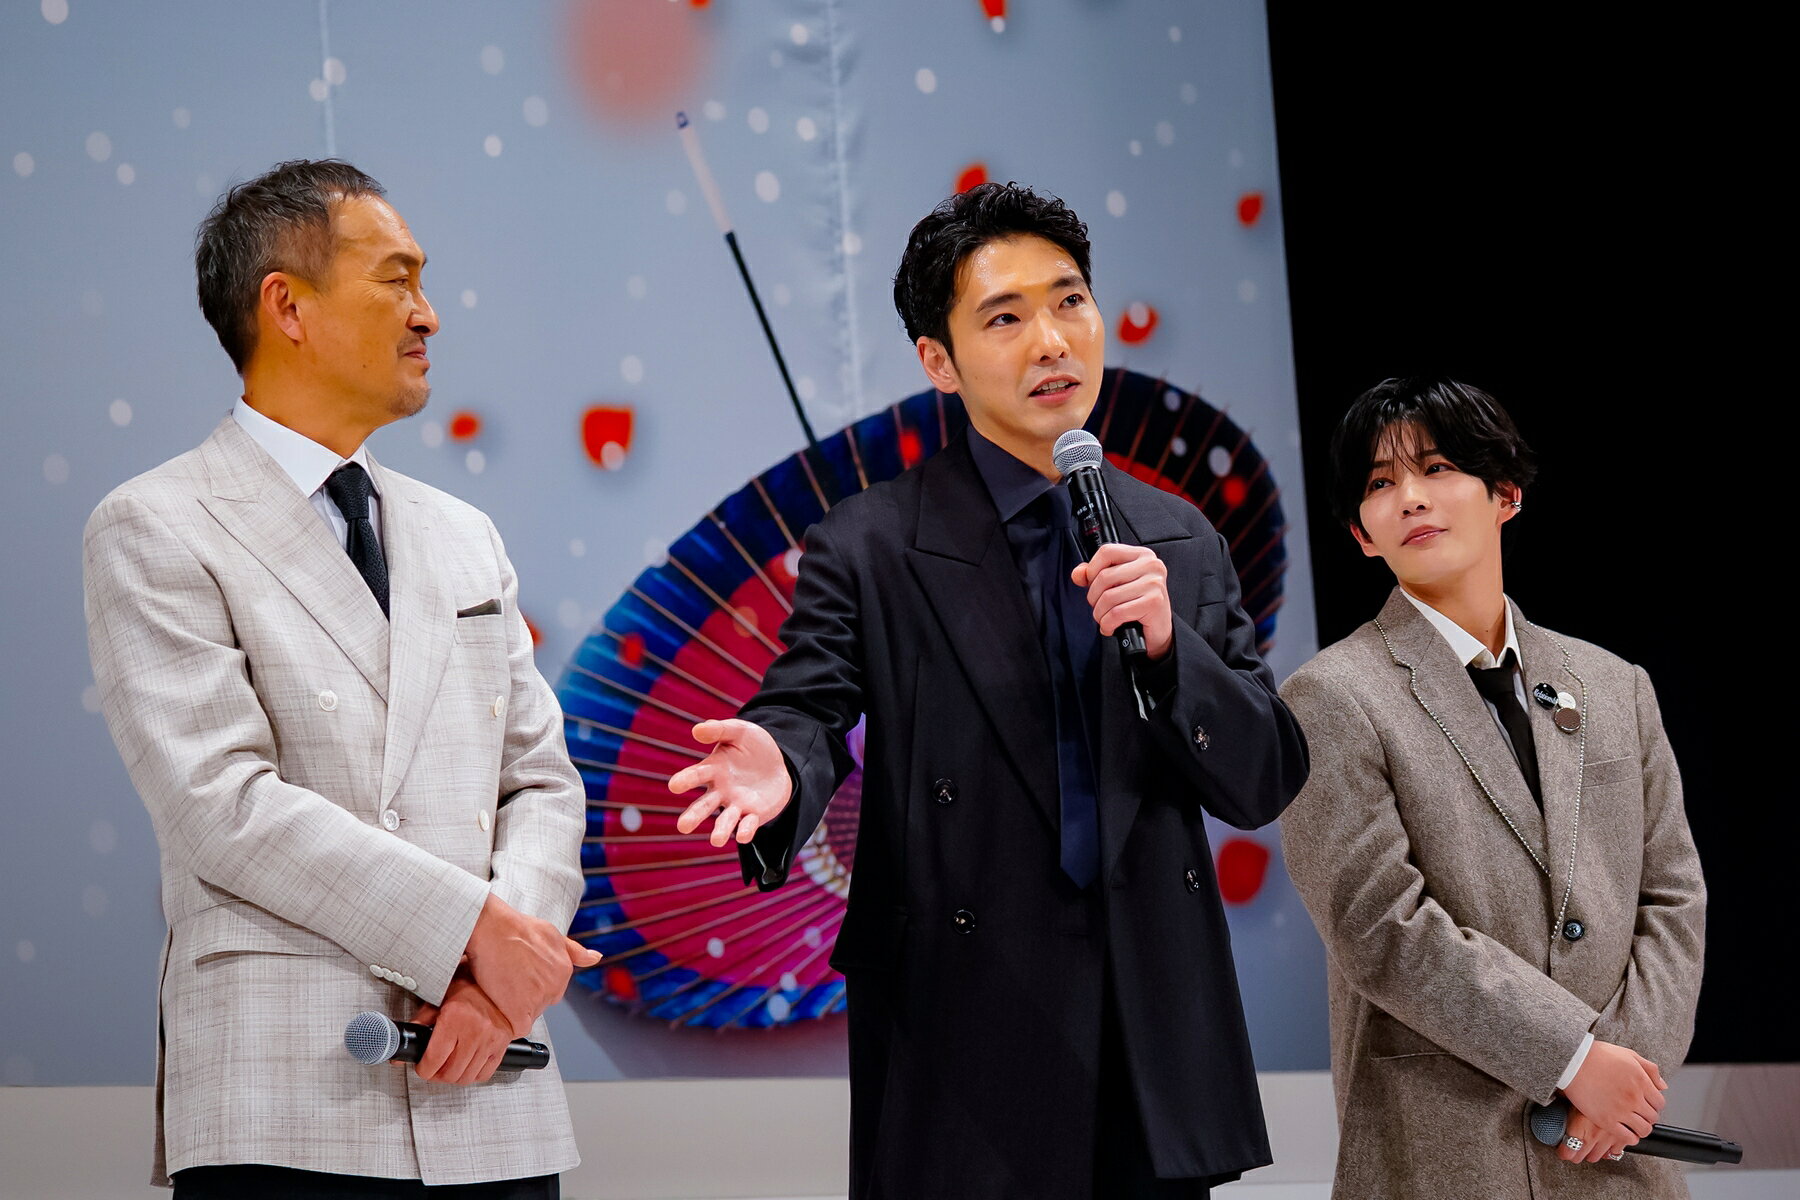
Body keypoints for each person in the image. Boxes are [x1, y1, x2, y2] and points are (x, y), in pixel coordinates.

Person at [666, 182, 1309, 1199]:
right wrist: (780, 763)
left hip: (1151, 1030)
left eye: (1069, 302)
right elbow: (809, 704)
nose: (1052, 342)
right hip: (964, 1023)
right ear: (939, 360)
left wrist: (1167, 650)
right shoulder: (871, 542)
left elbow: (1262, 775)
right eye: (1004, 318)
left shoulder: (1177, 537)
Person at [83, 159, 599, 1198]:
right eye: (397, 280)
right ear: (287, 306)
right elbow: (221, 805)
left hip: (490, 1077)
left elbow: (540, 779)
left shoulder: (462, 533)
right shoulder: (155, 524)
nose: (429, 314)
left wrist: (497, 986)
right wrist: (475, 935)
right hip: (288, 1093)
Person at [1278, 377, 1706, 1198]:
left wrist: (1623, 1076)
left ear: (1506, 493)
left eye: (1437, 467)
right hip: (1445, 1156)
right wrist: (1572, 1059)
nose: (1410, 497)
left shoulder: (1616, 686)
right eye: (1379, 482)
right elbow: (1382, 928)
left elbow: (1673, 897)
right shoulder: (1330, 697)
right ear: (1361, 534)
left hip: (1618, 1156)